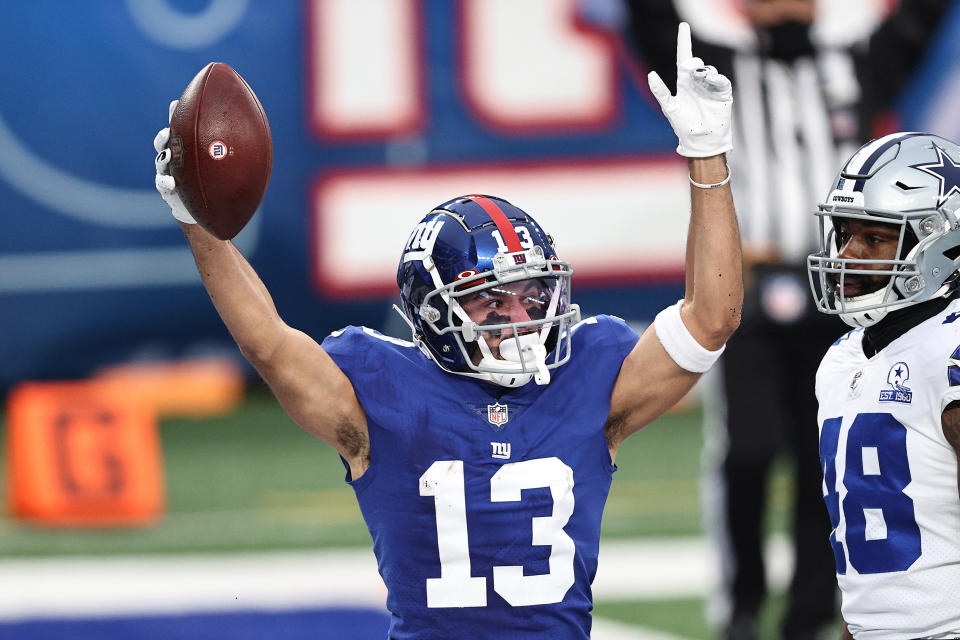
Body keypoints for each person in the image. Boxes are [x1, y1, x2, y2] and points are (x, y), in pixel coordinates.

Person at [153, 24, 742, 640]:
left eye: (532, 295)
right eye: (491, 302)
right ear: (432, 316)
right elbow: (267, 343)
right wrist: (198, 220)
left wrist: (706, 150)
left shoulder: (588, 375)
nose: (520, 318)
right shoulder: (380, 390)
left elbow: (713, 317)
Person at [621, 2, 953, 637]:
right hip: (751, 286)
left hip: (853, 291)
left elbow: (922, 18)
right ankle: (741, 603)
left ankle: (810, 612)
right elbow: (650, 19)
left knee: (819, 457)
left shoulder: (857, 62)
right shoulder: (715, 66)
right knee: (748, 448)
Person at [807, 131, 960, 639]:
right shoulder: (841, 358)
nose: (848, 254)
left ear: (941, 242)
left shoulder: (949, 354)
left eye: (874, 238)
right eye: (845, 233)